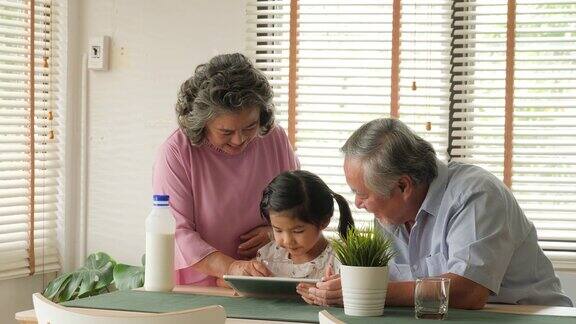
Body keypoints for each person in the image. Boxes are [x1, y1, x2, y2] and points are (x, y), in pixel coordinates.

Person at [297, 118, 573, 308]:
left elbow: (468, 292)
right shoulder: (390, 213)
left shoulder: (476, 194)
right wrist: (340, 286)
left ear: (403, 185)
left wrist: (364, 292)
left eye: (362, 193)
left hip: (524, 317)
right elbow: (394, 283)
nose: (357, 203)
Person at [153, 53, 299, 286]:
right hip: (200, 283)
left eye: (250, 126)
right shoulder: (177, 152)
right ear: (203, 122)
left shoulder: (274, 139)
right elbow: (177, 232)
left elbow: (299, 208)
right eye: (226, 132)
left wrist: (275, 232)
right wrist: (231, 268)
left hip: (267, 278)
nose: (239, 140)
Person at [257, 170, 354, 279]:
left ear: (324, 221)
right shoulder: (267, 257)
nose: (287, 240)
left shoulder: (342, 260)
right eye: (278, 230)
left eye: (297, 231)